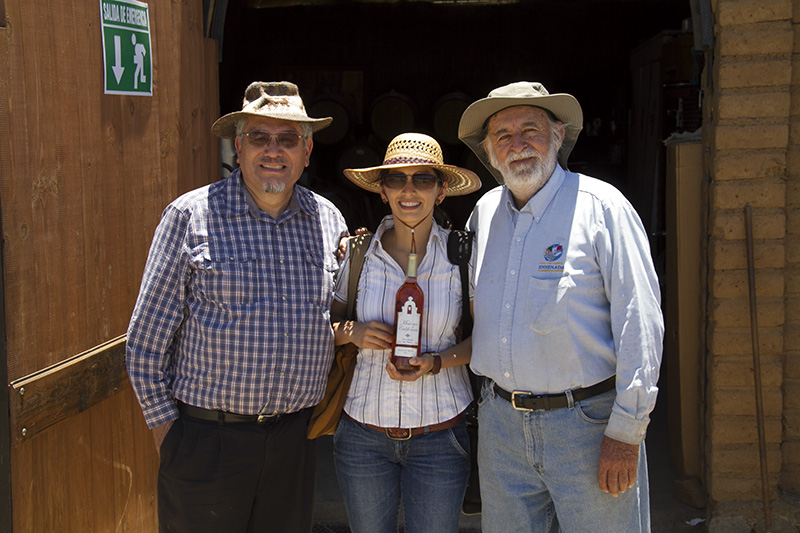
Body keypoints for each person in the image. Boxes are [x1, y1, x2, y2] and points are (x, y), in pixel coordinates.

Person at [125, 81, 348, 532]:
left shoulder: (328, 220)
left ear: (307, 151)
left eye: (288, 139)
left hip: (294, 443)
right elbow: (144, 344)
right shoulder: (190, 216)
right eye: (259, 137)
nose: (273, 150)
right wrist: (170, 436)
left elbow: (333, 318)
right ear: (238, 147)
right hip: (208, 441)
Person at [458, 81, 664, 532]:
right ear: (489, 152)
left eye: (530, 130)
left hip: (587, 425)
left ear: (557, 135)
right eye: (503, 136)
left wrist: (627, 432)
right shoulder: (484, 213)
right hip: (501, 428)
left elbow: (640, 323)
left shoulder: (602, 208)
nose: (517, 145)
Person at [331, 133, 482, 533]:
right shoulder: (360, 254)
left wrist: (436, 362)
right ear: (383, 191)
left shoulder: (461, 256)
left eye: (423, 179)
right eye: (396, 179)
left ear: (441, 191)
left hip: (440, 435)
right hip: (363, 435)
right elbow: (321, 331)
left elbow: (487, 340)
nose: (409, 190)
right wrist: (352, 332)